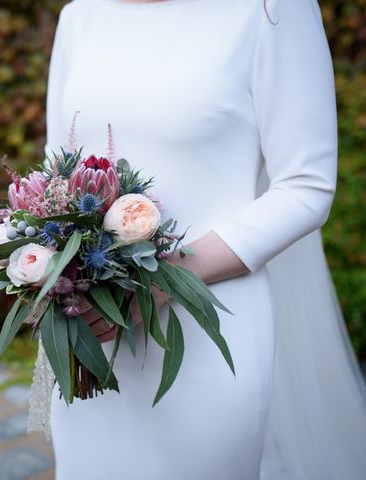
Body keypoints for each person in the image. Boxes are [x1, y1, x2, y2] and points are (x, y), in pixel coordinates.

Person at [40, 0, 366, 478]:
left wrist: (164, 280)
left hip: (207, 332)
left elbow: (307, 186)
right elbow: (57, 169)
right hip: (91, 334)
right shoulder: (80, 16)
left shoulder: (272, 10)